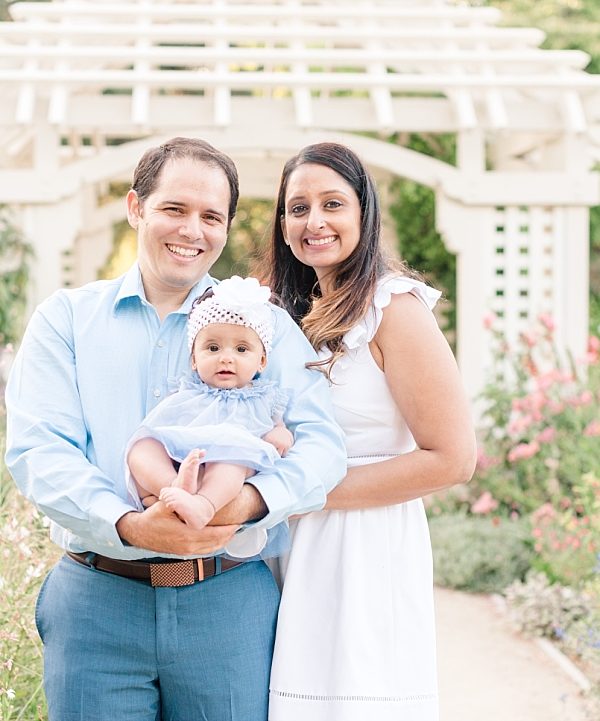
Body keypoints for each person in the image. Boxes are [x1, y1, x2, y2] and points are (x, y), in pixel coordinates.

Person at [4, 137, 346, 721]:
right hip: (96, 602)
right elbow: (39, 451)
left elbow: (322, 447)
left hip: (229, 598)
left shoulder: (266, 326)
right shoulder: (66, 320)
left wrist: (240, 503)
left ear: (228, 227)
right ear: (136, 207)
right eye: (174, 209)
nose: (192, 230)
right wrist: (131, 526)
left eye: (211, 216)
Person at [265, 142, 477, 721]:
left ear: (364, 212)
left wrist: (303, 491)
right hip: (288, 548)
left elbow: (453, 457)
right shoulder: (286, 316)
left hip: (362, 550)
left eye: (332, 203)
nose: (314, 221)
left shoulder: (394, 308)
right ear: (283, 225)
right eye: (298, 207)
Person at [127, 275, 293, 552]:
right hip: (185, 456)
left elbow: (278, 424)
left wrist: (280, 431)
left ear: (262, 360)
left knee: (231, 461)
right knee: (142, 447)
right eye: (213, 348)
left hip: (229, 455)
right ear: (194, 358)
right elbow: (167, 427)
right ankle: (171, 486)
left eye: (241, 349)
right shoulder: (188, 390)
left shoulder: (263, 395)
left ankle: (205, 504)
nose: (226, 358)